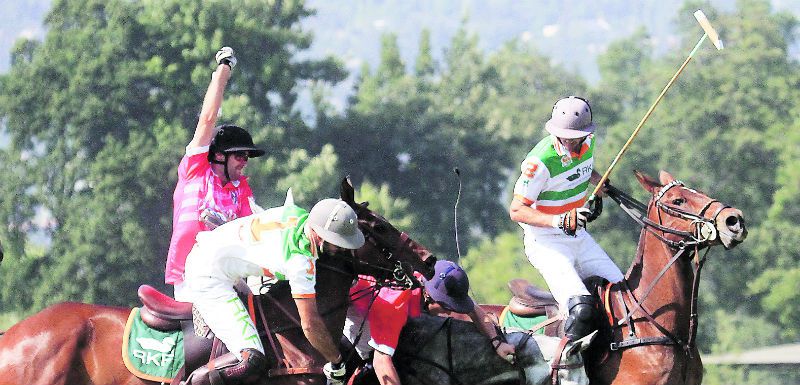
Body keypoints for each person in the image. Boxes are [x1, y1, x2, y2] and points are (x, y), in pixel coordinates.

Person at [180, 197, 364, 385]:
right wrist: (336, 361)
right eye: (338, 242)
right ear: (319, 235)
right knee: (251, 358)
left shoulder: (298, 214)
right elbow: (310, 324)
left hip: (216, 261)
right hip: (209, 276)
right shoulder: (300, 262)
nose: (341, 248)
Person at [508, 95, 624, 341]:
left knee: (623, 294)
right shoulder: (539, 162)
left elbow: (583, 167)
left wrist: (598, 182)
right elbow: (516, 210)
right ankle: (563, 365)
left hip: (579, 237)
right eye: (564, 138)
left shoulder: (589, 143)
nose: (569, 144)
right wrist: (559, 221)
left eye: (575, 139)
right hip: (547, 243)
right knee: (581, 309)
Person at [165, 46, 265, 301]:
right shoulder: (195, 169)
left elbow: (253, 232)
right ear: (219, 155)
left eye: (247, 157)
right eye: (240, 156)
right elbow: (208, 119)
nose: (245, 162)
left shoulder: (241, 189)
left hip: (227, 275)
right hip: (191, 276)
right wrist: (223, 70)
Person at [344, 260, 516, 385]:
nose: (449, 312)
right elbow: (381, 363)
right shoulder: (396, 307)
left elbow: (474, 309)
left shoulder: (432, 280)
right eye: (445, 306)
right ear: (428, 296)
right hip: (352, 317)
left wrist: (497, 342)